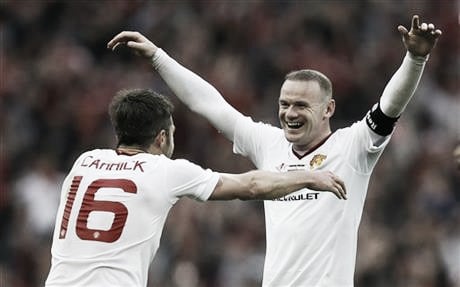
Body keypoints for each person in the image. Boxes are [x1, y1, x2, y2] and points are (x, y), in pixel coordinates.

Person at [108, 14, 442, 286]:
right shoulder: (269, 143)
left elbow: (389, 107)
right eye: (284, 104)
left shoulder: (354, 146)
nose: (290, 113)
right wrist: (157, 57)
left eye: (301, 104)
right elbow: (208, 103)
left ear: (328, 109)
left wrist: (415, 58)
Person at [44, 88, 346, 286]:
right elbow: (251, 185)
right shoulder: (165, 170)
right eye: (172, 131)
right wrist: (308, 177)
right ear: (161, 138)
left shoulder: (85, 161)